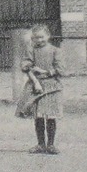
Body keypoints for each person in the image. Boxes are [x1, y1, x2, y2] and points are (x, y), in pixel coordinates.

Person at [21, 24, 66, 154]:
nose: (39, 40)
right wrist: (35, 82)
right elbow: (26, 66)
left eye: (41, 37)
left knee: (51, 115)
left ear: (48, 36)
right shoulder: (31, 50)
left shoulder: (55, 51)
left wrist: (45, 72)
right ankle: (40, 144)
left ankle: (51, 144)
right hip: (36, 87)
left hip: (52, 86)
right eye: (35, 38)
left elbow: (61, 70)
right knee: (38, 116)